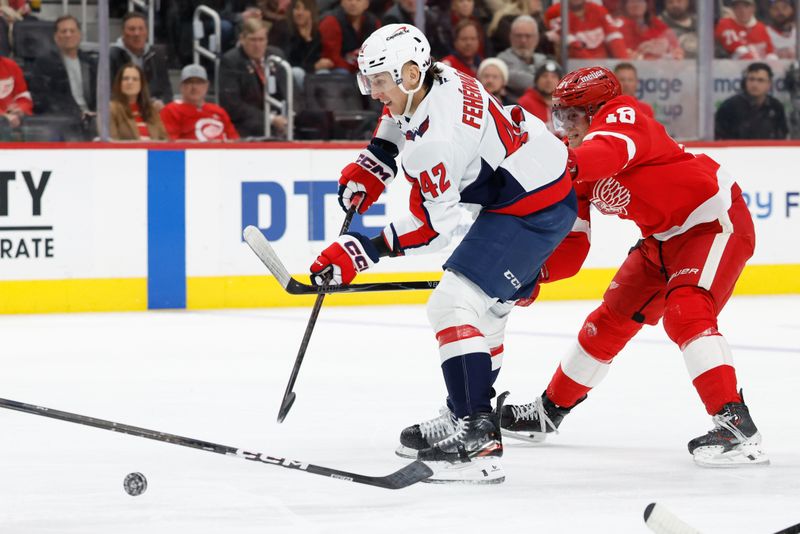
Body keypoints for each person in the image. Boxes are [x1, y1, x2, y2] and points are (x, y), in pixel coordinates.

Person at [310, 24, 576, 483]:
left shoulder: (437, 143)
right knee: (485, 313)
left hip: (532, 207)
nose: (374, 93)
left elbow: (436, 228)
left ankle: (478, 438)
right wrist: (376, 161)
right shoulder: (440, 77)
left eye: (380, 81)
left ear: (411, 73)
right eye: (370, 80)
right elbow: (400, 117)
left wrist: (360, 250)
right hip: (529, 188)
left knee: (452, 305)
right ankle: (464, 415)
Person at [499, 66, 769, 468]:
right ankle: (547, 412)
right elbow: (573, 245)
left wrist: (556, 165)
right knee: (608, 321)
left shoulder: (623, 115)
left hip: (713, 221)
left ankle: (735, 424)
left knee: (686, 309)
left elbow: (605, 154)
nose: (565, 125)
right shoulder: (572, 160)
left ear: (597, 110)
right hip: (660, 240)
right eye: (560, 115)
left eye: (573, 115)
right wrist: (531, 276)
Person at [29, 14, 97, 140]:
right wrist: (77, 113)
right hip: (63, 120)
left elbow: (100, 94)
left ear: (79, 35)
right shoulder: (44, 63)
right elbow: (43, 98)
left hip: (92, 118)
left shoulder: (90, 63)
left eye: (72, 31)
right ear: (56, 37)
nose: (68, 35)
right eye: (64, 31)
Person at [219, 18, 290, 138]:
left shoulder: (277, 56)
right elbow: (233, 105)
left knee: (313, 120)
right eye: (253, 40)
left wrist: (290, 115)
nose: (257, 45)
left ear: (267, 40)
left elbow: (292, 91)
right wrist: (270, 119)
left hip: (280, 115)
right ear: (242, 39)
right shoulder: (230, 61)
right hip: (250, 120)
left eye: (261, 40)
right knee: (258, 126)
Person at [110, 12, 173, 108]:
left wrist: (162, 102)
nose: (137, 33)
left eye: (141, 29)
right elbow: (109, 92)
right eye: (132, 29)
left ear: (146, 32)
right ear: (123, 32)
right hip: (124, 110)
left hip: (154, 111)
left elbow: (166, 90)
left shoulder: (158, 54)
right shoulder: (111, 56)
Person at [160, 64, 239, 141]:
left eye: (199, 82)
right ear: (181, 86)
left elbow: (234, 140)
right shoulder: (171, 110)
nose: (194, 87)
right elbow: (170, 143)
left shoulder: (218, 111)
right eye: (189, 82)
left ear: (206, 86)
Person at [715, 62, 788, 140]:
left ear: (769, 84)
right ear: (745, 82)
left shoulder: (776, 107)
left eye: (760, 80)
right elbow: (719, 136)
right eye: (751, 79)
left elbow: (782, 136)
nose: (754, 84)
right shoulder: (730, 107)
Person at [544, 0, 629, 59]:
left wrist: (624, 64)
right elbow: (573, 46)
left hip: (603, 67)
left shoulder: (598, 9)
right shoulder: (554, 12)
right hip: (573, 69)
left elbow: (615, 38)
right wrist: (593, 69)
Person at [318, 0, 380, 74]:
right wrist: (358, 68)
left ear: (367, 3)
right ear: (341, 2)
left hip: (363, 68)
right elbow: (331, 59)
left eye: (358, 0)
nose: (353, 3)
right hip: (337, 70)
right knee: (342, 72)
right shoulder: (330, 22)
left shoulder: (374, 22)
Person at [497, 15, 549, 100]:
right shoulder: (501, 61)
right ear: (511, 37)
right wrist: (545, 81)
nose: (523, 40)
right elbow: (521, 82)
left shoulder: (543, 60)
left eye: (528, 36)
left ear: (536, 38)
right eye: (518, 36)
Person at [109, 63, 167, 141]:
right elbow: (111, 144)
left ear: (141, 84)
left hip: (152, 152)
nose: (130, 82)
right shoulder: (110, 109)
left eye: (135, 79)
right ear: (119, 83)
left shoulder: (151, 110)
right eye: (125, 78)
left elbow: (164, 140)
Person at [619, 0, 683, 59]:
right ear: (625, 5)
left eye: (640, 1)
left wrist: (663, 49)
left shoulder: (658, 24)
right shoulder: (618, 26)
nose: (636, 4)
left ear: (647, 4)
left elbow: (677, 52)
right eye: (632, 1)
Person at [518, 59, 562, 132]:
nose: (549, 80)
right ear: (536, 81)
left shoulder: (567, 103)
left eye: (553, 76)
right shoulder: (524, 103)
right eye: (544, 76)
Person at [0, 55, 32, 140]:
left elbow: (23, 96)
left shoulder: (11, 65)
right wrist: (3, 116)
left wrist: (20, 109)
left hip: (12, 126)